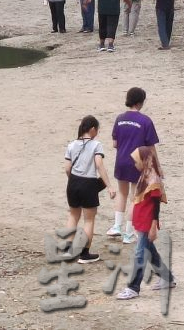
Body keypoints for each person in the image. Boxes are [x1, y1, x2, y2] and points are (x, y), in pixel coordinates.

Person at [115, 146, 175, 299]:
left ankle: (133, 287)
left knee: (140, 254)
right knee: (150, 252)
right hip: (142, 220)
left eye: (136, 161)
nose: (135, 164)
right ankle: (167, 278)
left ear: (144, 160)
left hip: (148, 222)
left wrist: (154, 226)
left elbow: (155, 205)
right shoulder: (145, 175)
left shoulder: (152, 179)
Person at [107, 87, 160, 245]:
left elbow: (115, 143)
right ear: (141, 102)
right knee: (134, 197)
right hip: (137, 163)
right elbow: (151, 147)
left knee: (122, 194)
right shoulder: (145, 121)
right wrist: (156, 166)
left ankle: (117, 225)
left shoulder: (119, 118)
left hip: (121, 161)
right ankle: (129, 233)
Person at [64, 115, 116, 264]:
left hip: (73, 182)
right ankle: (84, 254)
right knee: (88, 220)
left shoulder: (72, 145)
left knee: (73, 216)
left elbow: (67, 168)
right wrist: (110, 186)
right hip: (88, 183)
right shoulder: (96, 145)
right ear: (93, 129)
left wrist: (73, 180)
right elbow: (99, 165)